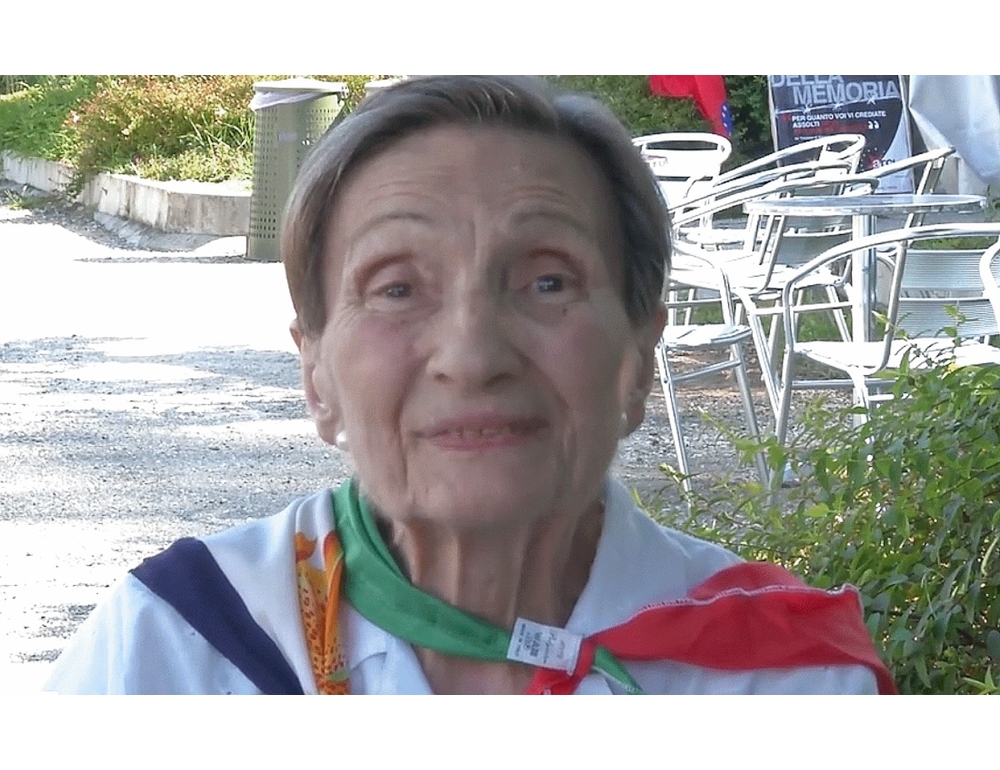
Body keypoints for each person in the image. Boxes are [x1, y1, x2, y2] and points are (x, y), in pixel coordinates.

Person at [43, 76, 895, 695]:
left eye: (548, 281)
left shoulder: (783, 679)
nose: (473, 354)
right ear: (317, 374)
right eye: (396, 288)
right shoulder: (178, 648)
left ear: (638, 355)